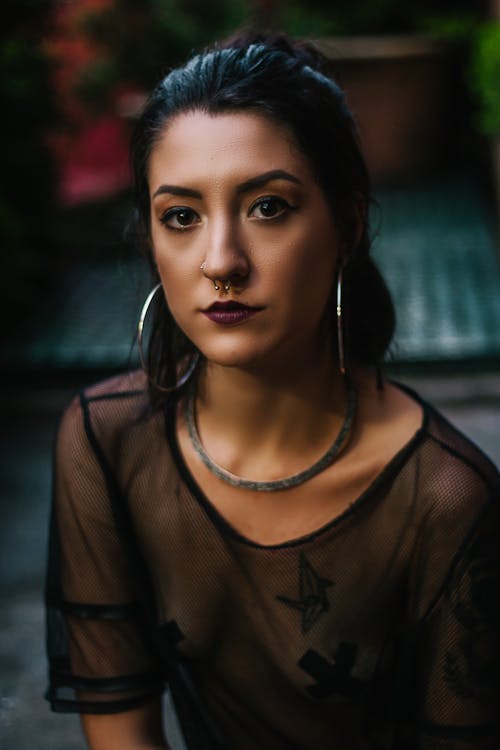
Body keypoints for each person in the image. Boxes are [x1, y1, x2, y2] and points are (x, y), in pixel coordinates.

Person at [45, 33, 500, 750]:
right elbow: (121, 728)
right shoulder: (105, 440)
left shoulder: (444, 499)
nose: (220, 260)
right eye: (182, 216)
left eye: (268, 207)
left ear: (347, 224)